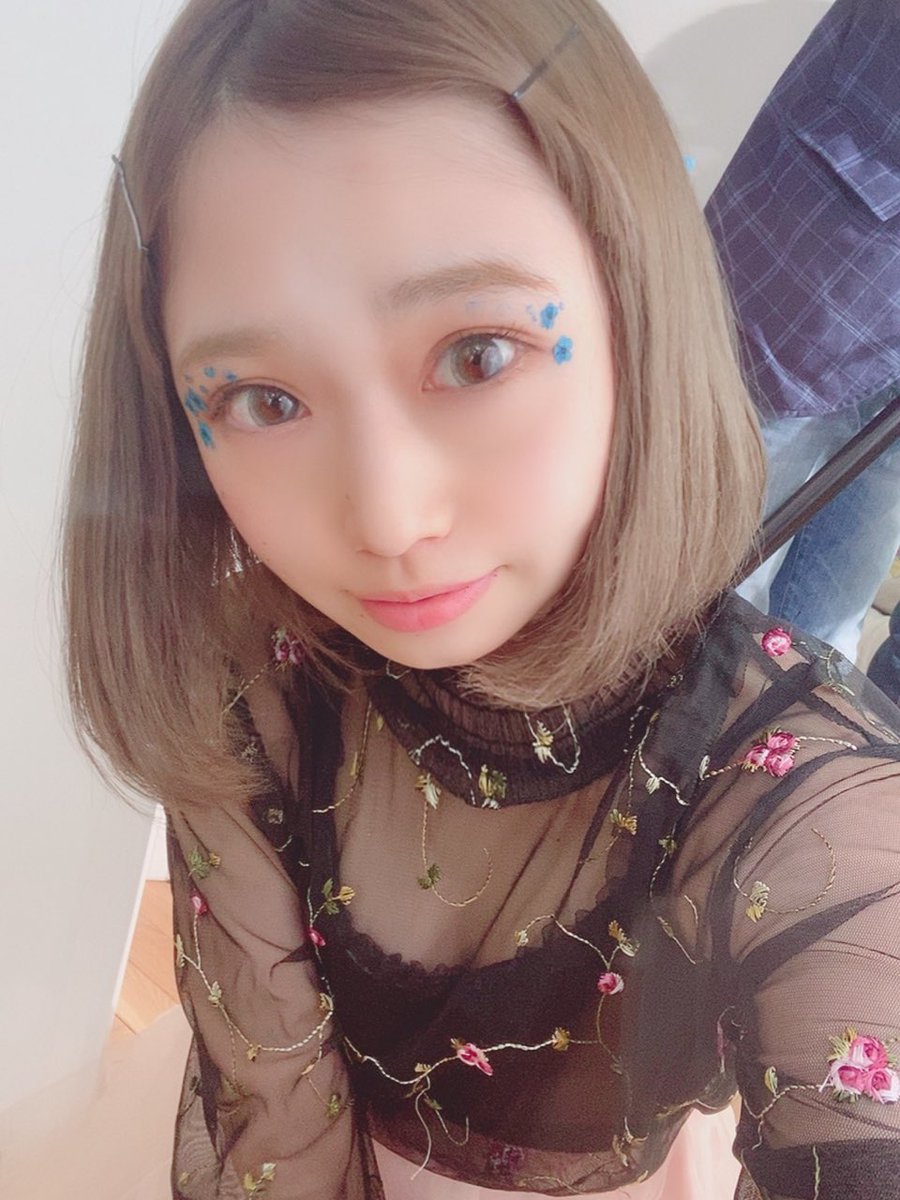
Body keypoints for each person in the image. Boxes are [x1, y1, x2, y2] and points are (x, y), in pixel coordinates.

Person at [62, 2, 900, 1198]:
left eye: (478, 354)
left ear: (633, 301)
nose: (387, 517)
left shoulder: (808, 804)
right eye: (263, 399)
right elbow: (276, 1115)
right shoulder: (247, 670)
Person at [705, 0, 900, 665]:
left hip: (843, 229)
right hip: (835, 233)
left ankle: (780, 720)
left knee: (828, 625)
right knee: (708, 575)